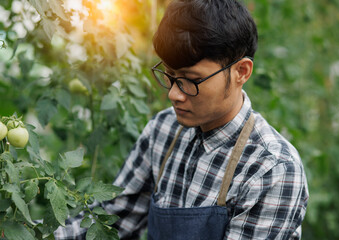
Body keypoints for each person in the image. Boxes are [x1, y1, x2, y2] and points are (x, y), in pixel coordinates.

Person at [55, 0, 309, 239]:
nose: (174, 94)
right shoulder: (163, 130)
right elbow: (113, 221)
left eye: (191, 80)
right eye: (169, 75)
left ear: (241, 71)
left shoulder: (271, 169)